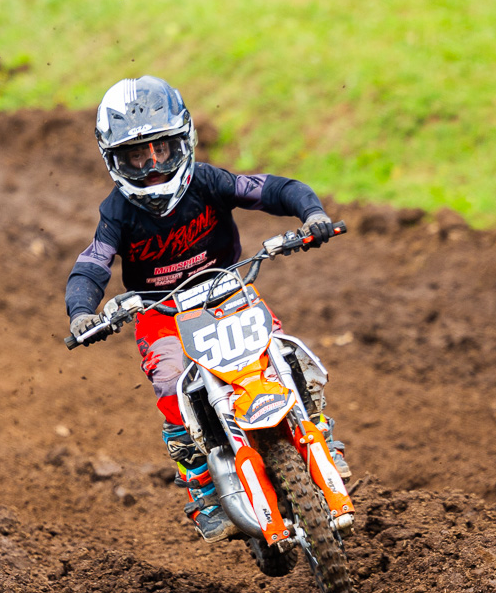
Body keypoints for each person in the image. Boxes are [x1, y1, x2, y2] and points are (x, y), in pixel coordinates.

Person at [65, 75, 347, 541]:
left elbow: (274, 188)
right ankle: (205, 490)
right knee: (172, 384)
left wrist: (312, 214)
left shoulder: (208, 181)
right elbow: (91, 264)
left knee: (282, 353)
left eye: (161, 149)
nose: (153, 166)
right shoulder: (117, 211)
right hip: (162, 314)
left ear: (183, 141)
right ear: (114, 160)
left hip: (228, 291)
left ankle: (320, 434)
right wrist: (83, 313)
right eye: (137, 156)